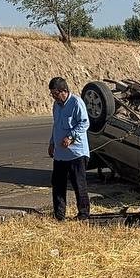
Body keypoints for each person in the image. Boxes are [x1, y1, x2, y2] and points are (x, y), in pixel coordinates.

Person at [47, 77, 91, 221]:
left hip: (76, 153)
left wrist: (71, 137)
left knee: (79, 184)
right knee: (58, 184)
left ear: (64, 91)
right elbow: (56, 125)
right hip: (60, 154)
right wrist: (52, 142)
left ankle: (83, 214)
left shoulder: (76, 102)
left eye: (55, 93)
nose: (54, 97)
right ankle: (59, 215)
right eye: (52, 94)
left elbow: (84, 123)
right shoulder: (56, 105)